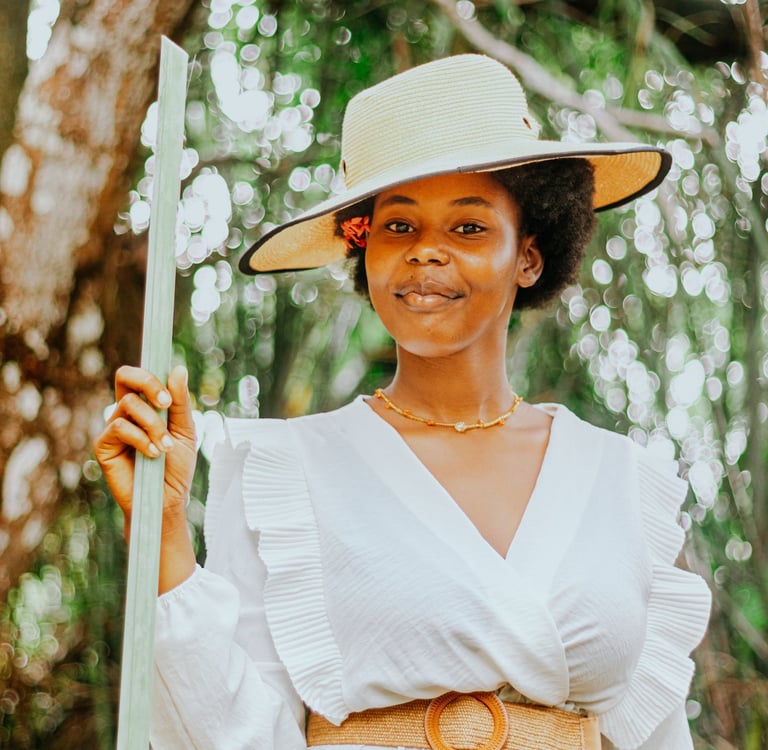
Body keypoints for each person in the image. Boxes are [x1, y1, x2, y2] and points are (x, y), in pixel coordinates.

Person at [94, 54, 711, 749]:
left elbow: (656, 737)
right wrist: (165, 529)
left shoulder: (622, 479)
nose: (426, 254)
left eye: (469, 228)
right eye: (398, 227)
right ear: (366, 254)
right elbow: (234, 730)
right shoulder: (284, 472)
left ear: (530, 255)